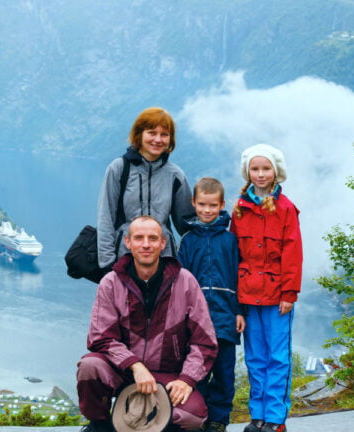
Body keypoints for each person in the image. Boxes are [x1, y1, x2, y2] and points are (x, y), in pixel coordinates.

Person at [76, 215, 218, 432]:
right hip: (122, 372)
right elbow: (101, 337)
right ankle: (100, 425)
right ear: (128, 242)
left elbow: (204, 342)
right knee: (90, 366)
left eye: (152, 238)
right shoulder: (111, 282)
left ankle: (145, 423)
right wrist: (135, 365)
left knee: (192, 417)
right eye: (139, 238)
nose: (145, 244)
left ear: (163, 243)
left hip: (168, 375)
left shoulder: (185, 281)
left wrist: (186, 379)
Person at [230, 144, 303, 432]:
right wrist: (236, 301)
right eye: (255, 169)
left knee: (277, 357)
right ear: (247, 171)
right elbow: (233, 255)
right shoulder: (239, 208)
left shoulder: (286, 209)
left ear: (276, 172)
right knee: (255, 358)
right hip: (248, 295)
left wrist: (289, 293)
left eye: (266, 168)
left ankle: (275, 419)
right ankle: (257, 416)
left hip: (277, 298)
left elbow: (293, 254)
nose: (260, 174)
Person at [177, 177, 245, 432]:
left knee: (225, 373)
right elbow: (181, 282)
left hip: (226, 318)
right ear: (194, 203)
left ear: (221, 205)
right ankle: (200, 416)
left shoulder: (230, 240)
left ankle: (219, 420)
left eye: (212, 205)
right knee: (198, 371)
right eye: (202, 205)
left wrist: (240, 311)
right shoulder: (188, 240)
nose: (207, 210)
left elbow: (239, 278)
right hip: (195, 321)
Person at [96, 107, 195, 273]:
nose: (158, 139)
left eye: (164, 134)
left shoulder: (175, 175)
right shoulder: (119, 169)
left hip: (164, 261)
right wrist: (107, 264)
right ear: (139, 134)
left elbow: (187, 224)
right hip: (124, 259)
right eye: (151, 132)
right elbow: (106, 217)